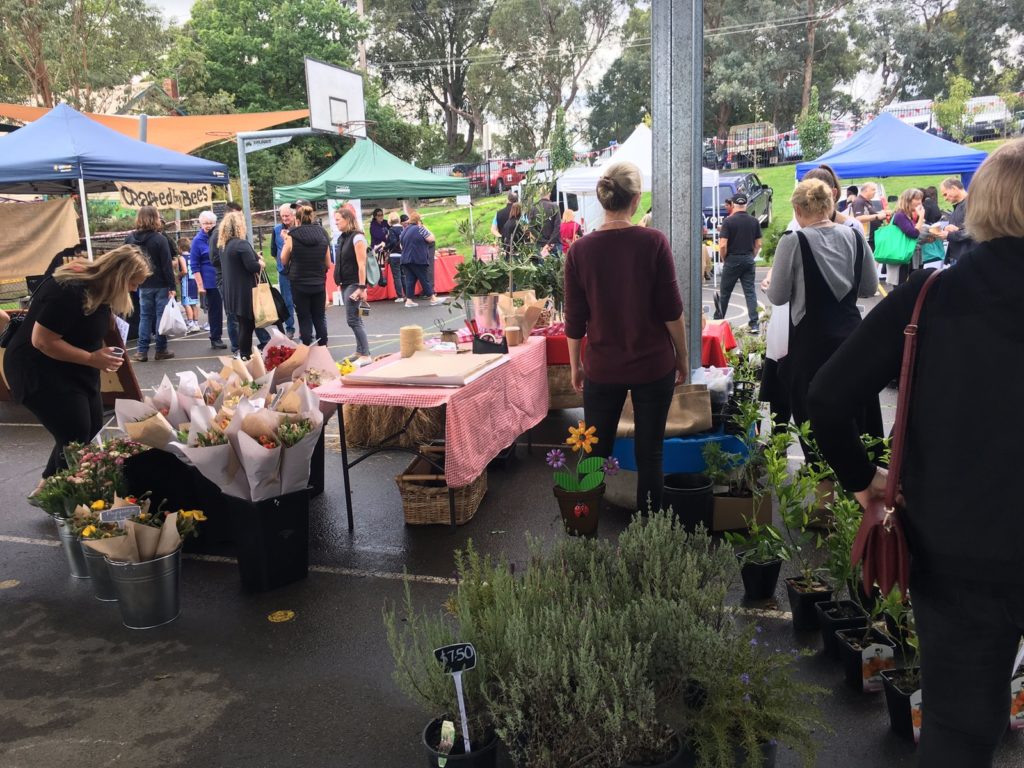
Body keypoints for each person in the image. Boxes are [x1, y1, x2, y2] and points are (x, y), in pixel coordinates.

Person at [807, 139, 1024, 768]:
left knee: (957, 729)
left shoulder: (933, 295)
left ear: (979, 206)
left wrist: (862, 478)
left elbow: (826, 395)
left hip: (951, 549)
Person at [564, 161, 688, 513]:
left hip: (603, 367)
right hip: (653, 365)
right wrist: (681, 355)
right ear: (636, 200)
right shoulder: (654, 242)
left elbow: (575, 320)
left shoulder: (579, 251)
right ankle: (651, 540)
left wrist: (576, 366)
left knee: (594, 450)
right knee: (650, 452)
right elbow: (672, 311)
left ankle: (584, 529)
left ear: (605, 199)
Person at [3, 245, 150, 486]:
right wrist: (93, 358)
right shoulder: (69, 291)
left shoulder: (100, 290)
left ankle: (48, 491)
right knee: (74, 433)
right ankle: (58, 494)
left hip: (73, 367)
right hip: (37, 369)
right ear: (119, 277)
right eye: (133, 283)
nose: (135, 289)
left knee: (90, 427)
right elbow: (42, 341)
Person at [765, 178, 881, 461]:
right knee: (856, 424)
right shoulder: (854, 237)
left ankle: (823, 500)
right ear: (830, 205)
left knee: (816, 433)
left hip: (811, 347)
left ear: (797, 208)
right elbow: (868, 288)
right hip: (853, 342)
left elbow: (778, 296)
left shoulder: (793, 241)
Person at [125, 205, 176, 362]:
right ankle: (161, 349)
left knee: (145, 317)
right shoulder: (160, 239)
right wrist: (172, 286)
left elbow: (124, 259)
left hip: (141, 283)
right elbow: (166, 265)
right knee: (161, 316)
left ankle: (142, 351)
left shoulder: (130, 238)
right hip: (160, 283)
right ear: (155, 218)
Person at [281, 204, 331, 346]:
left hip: (299, 282)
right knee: (319, 317)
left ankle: (306, 347)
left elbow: (283, 260)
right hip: (318, 281)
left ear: (297, 220)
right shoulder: (322, 233)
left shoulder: (292, 235)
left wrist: (286, 243)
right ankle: (323, 347)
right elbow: (328, 263)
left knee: (304, 318)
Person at [218, 211, 265, 361]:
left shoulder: (224, 246)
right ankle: (245, 355)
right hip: (244, 290)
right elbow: (252, 266)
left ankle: (243, 353)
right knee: (247, 325)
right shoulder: (241, 244)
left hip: (231, 290)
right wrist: (260, 263)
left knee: (243, 324)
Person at [713, 192, 762, 333]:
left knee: (725, 293)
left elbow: (722, 244)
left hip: (732, 259)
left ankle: (718, 321)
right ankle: (754, 324)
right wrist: (752, 256)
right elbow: (758, 244)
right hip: (748, 258)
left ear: (733, 204)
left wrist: (724, 258)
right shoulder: (754, 221)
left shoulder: (728, 221)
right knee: (750, 292)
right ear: (746, 204)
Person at [333, 206, 372, 365]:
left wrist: (362, 288)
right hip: (345, 282)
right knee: (356, 318)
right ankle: (360, 351)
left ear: (347, 219)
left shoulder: (357, 238)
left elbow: (362, 265)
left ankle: (366, 355)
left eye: (338, 220)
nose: (335, 223)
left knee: (353, 320)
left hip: (354, 283)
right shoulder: (342, 237)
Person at [190, 210, 226, 350]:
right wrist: (200, 285)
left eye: (211, 223)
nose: (208, 226)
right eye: (205, 223)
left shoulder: (219, 237)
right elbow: (194, 265)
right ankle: (215, 337)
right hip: (210, 281)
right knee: (215, 311)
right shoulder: (197, 241)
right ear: (200, 223)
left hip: (223, 277)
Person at [400, 212, 444, 307]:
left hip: (405, 259)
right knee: (424, 278)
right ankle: (433, 298)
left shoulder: (404, 231)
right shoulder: (420, 229)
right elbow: (431, 239)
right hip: (418, 258)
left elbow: (401, 245)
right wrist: (424, 227)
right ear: (418, 221)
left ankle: (409, 300)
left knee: (410, 280)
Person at [270, 204, 297, 338]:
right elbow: (274, 252)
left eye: (287, 216)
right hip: (284, 273)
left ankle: (306, 328)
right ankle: (290, 328)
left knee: (301, 301)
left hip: (299, 272)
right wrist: (281, 264)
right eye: (282, 216)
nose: (285, 218)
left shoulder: (298, 229)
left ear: (294, 215)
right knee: (287, 301)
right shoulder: (276, 230)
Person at [934, 177, 975, 264]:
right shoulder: (960, 205)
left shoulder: (972, 204)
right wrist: (947, 228)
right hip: (957, 257)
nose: (945, 199)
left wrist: (948, 235)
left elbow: (974, 231)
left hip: (966, 258)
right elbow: (960, 227)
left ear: (954, 188)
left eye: (945, 194)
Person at [850, 182, 891, 249]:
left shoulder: (867, 201)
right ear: (866, 190)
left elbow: (868, 214)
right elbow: (858, 218)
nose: (875, 192)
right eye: (873, 190)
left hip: (873, 237)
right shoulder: (859, 201)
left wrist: (881, 213)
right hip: (866, 239)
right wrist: (877, 216)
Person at [176, 237, 200, 333]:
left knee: (186, 303)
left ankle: (190, 323)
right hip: (194, 280)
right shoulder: (193, 256)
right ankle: (196, 323)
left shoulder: (182, 257)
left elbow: (185, 271)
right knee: (194, 303)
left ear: (180, 248)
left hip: (187, 282)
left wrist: (178, 276)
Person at [531, 187, 561, 257]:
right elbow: (558, 227)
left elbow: (531, 227)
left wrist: (542, 240)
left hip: (540, 244)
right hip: (554, 244)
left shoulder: (534, 207)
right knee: (556, 266)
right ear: (549, 194)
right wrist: (549, 242)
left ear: (539, 194)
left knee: (540, 266)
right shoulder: (554, 206)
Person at [386, 214, 405, 303]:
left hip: (394, 255)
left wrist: (385, 247)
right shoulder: (403, 229)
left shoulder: (391, 230)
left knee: (397, 277)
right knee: (403, 275)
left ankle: (400, 296)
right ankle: (408, 295)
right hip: (403, 254)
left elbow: (393, 242)